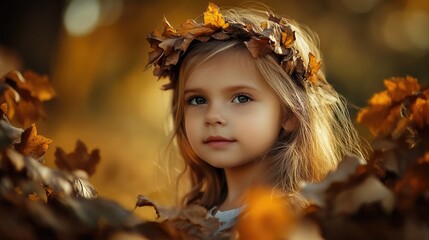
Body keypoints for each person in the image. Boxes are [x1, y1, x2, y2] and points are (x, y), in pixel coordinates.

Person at [146, 2, 365, 234]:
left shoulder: (297, 220)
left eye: (241, 98)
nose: (212, 117)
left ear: (289, 114)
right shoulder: (187, 223)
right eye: (198, 100)